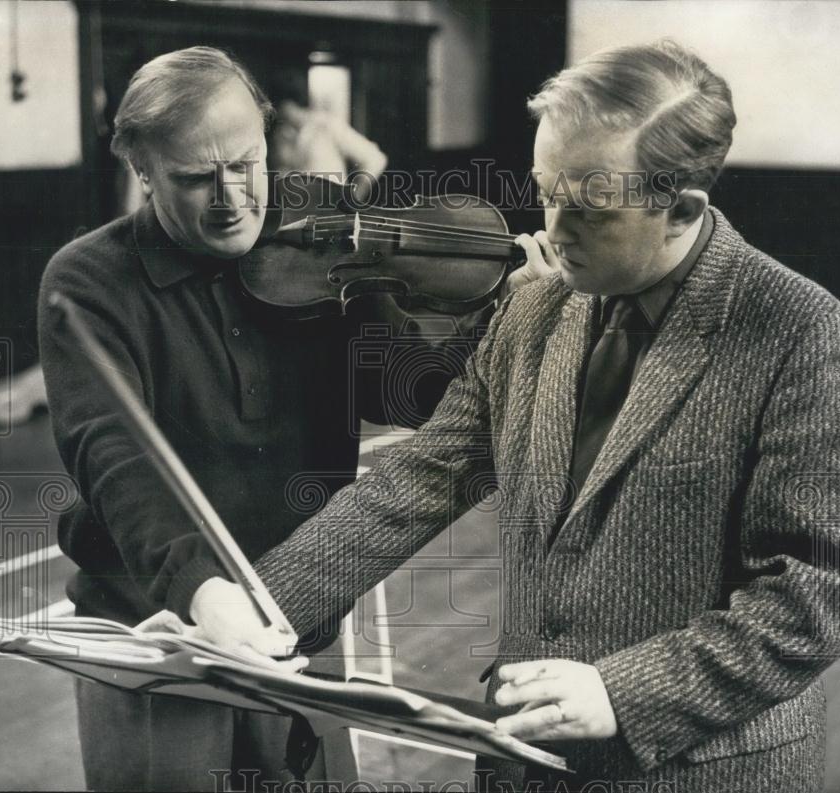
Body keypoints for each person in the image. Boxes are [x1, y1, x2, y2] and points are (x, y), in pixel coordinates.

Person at [195, 41, 840, 791]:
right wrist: (260, 603)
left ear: (682, 208)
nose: (552, 232)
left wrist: (626, 691)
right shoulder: (533, 307)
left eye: (588, 211)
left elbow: (817, 590)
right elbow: (416, 481)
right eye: (545, 192)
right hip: (525, 762)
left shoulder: (803, 334)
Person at [38, 46, 508, 791]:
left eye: (246, 164)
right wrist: (200, 588)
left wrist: (499, 318)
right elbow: (115, 458)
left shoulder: (321, 226)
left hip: (301, 615)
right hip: (156, 632)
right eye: (196, 178)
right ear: (144, 173)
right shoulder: (90, 280)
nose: (231, 199)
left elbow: (407, 394)